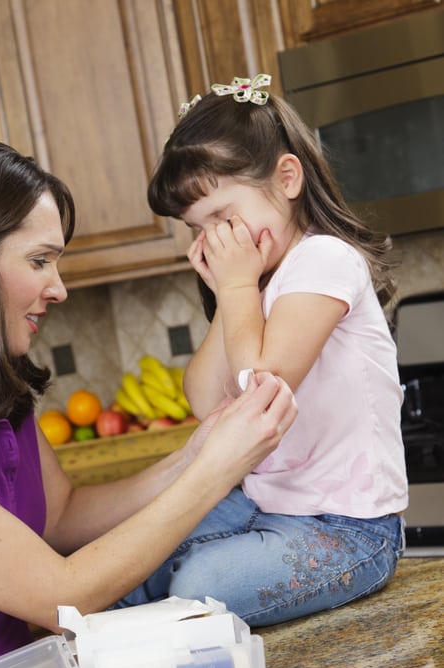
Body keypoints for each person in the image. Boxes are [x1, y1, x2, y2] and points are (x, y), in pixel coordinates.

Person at [0, 134, 296, 668]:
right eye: (39, 261)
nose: (58, 288)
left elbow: (60, 520)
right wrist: (214, 474)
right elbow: (64, 596)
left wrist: (194, 453)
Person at [134, 74, 408, 627]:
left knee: (199, 586)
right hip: (267, 510)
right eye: (197, 227)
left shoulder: (325, 259)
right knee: (134, 555)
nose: (213, 240)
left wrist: (237, 290)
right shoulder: (257, 282)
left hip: (350, 529)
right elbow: (208, 403)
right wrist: (232, 290)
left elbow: (262, 387)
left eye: (222, 216)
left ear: (287, 178)